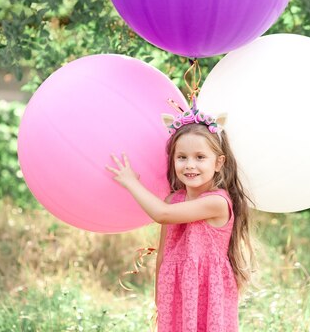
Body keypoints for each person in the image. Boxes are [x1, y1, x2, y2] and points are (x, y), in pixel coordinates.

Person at [106, 104, 254, 331]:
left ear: (218, 162)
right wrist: (159, 296)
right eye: (182, 157)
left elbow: (162, 216)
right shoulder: (173, 200)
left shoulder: (217, 202)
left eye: (200, 157)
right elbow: (163, 253)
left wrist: (131, 182)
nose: (190, 165)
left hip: (207, 291)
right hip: (175, 288)